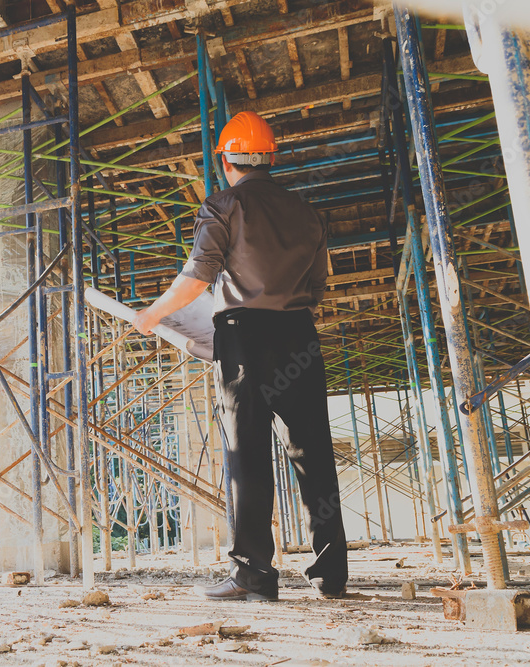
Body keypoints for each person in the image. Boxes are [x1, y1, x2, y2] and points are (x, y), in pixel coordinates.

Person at [132, 111, 347, 602]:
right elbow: (317, 285)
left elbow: (198, 275)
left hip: (244, 337)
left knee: (246, 455)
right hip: (298, 334)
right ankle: (330, 574)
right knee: (313, 454)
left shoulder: (222, 205)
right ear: (271, 158)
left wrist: (152, 313)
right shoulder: (305, 211)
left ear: (225, 160)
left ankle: (253, 575)